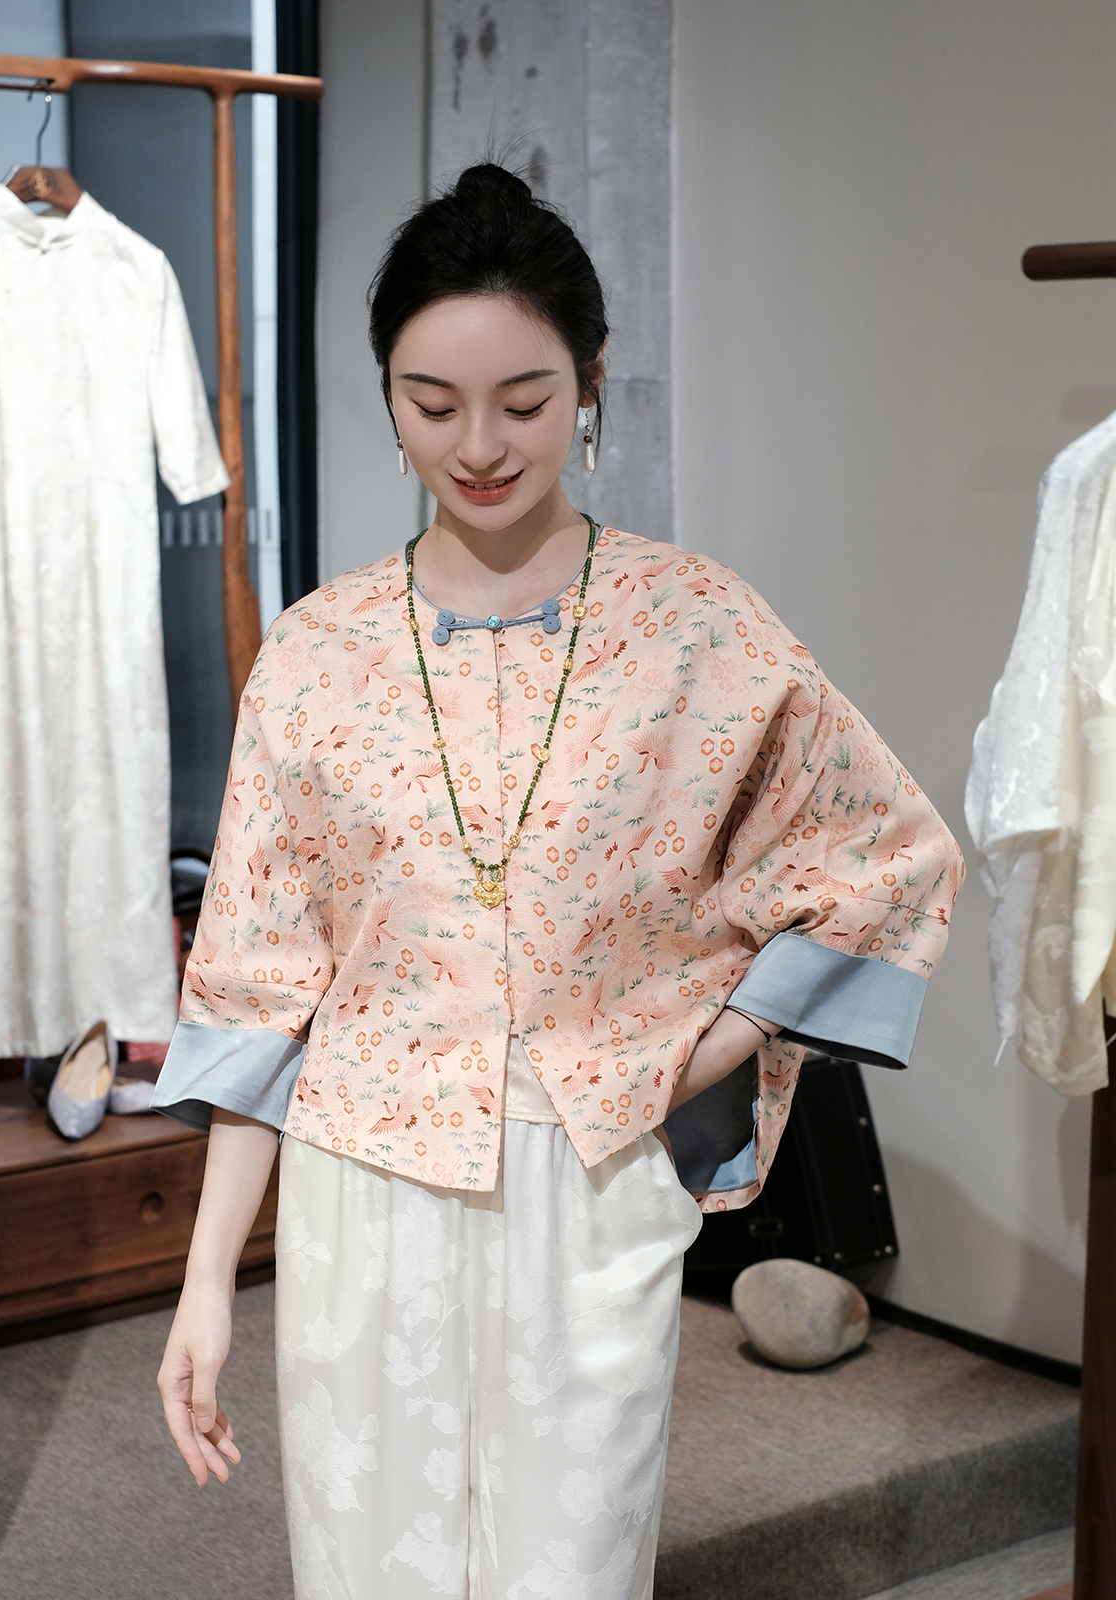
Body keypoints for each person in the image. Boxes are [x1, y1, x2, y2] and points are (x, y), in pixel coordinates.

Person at [152, 163, 963, 1598]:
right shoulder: (319, 650)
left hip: (589, 1181)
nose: (478, 447)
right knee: (370, 1569)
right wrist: (208, 1275)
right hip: (361, 1185)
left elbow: (882, 854)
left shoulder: (695, 624)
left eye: (523, 403)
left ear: (589, 383)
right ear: (386, 395)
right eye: (432, 404)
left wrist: (699, 1050)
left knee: (570, 1570)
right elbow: (257, 981)